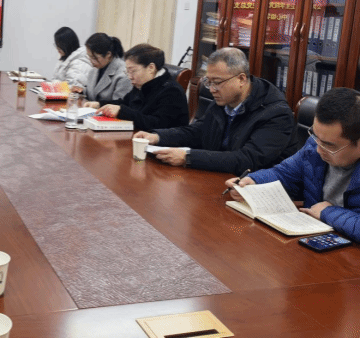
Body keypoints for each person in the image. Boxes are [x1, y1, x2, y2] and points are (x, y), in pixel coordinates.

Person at [135, 47, 297, 176]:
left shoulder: (275, 113)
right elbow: (198, 131)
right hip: (218, 177)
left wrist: (188, 157)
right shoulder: (225, 99)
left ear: (241, 79)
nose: (212, 89)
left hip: (252, 189)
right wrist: (157, 137)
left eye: (217, 82)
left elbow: (247, 160)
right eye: (209, 82)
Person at [226, 88, 360, 241]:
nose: (319, 149)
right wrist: (252, 181)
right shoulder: (314, 147)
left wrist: (327, 212)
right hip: (315, 237)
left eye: (329, 145)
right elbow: (284, 173)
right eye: (315, 135)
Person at [93, 43, 189, 131]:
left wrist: (122, 111)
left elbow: (157, 124)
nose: (129, 77)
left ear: (151, 68)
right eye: (127, 71)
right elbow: (125, 103)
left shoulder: (172, 91)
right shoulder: (142, 83)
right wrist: (99, 104)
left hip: (160, 142)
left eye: (132, 71)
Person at [79, 32, 132, 103]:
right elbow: (92, 93)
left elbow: (118, 105)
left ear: (108, 54)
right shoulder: (96, 68)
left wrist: (97, 105)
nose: (91, 61)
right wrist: (81, 91)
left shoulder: (123, 74)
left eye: (94, 58)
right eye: (89, 57)